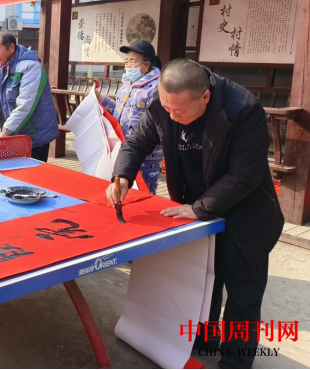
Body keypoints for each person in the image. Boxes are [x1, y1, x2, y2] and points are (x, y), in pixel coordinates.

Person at [106, 58, 284, 370]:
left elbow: (244, 176)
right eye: (167, 108)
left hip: (245, 212)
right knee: (204, 280)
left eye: (179, 112)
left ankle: (235, 363)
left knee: (243, 293)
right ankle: (203, 340)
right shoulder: (166, 101)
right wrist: (122, 176)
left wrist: (199, 208)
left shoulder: (243, 108)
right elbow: (137, 141)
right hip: (196, 206)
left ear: (205, 97)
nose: (171, 116)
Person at [0, 31, 59, 162]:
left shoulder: (31, 67)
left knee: (32, 172)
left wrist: (6, 131)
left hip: (35, 136)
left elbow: (25, 104)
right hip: (13, 135)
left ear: (11, 47)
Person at [99, 40, 163, 194]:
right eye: (126, 61)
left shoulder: (156, 89)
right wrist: (100, 98)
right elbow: (117, 111)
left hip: (147, 155)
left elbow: (157, 123)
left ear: (146, 65)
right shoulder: (125, 86)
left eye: (132, 61)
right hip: (124, 150)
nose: (128, 65)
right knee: (123, 189)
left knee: (144, 192)